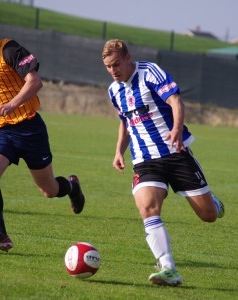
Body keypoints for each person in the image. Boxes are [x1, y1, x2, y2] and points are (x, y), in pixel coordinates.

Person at [0, 10, 85, 252]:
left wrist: (11, 104)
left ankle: (71, 186)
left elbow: (35, 81)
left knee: (49, 190)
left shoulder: (10, 49)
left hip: (29, 128)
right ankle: (1, 234)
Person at [101, 39, 225, 286]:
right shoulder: (114, 91)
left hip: (176, 153)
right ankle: (168, 268)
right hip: (145, 160)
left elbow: (175, 101)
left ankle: (213, 203)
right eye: (107, 66)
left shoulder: (150, 72)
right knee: (147, 207)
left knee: (208, 215)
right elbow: (125, 121)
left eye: (116, 64)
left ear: (128, 58)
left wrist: (177, 129)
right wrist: (118, 152)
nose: (113, 71)